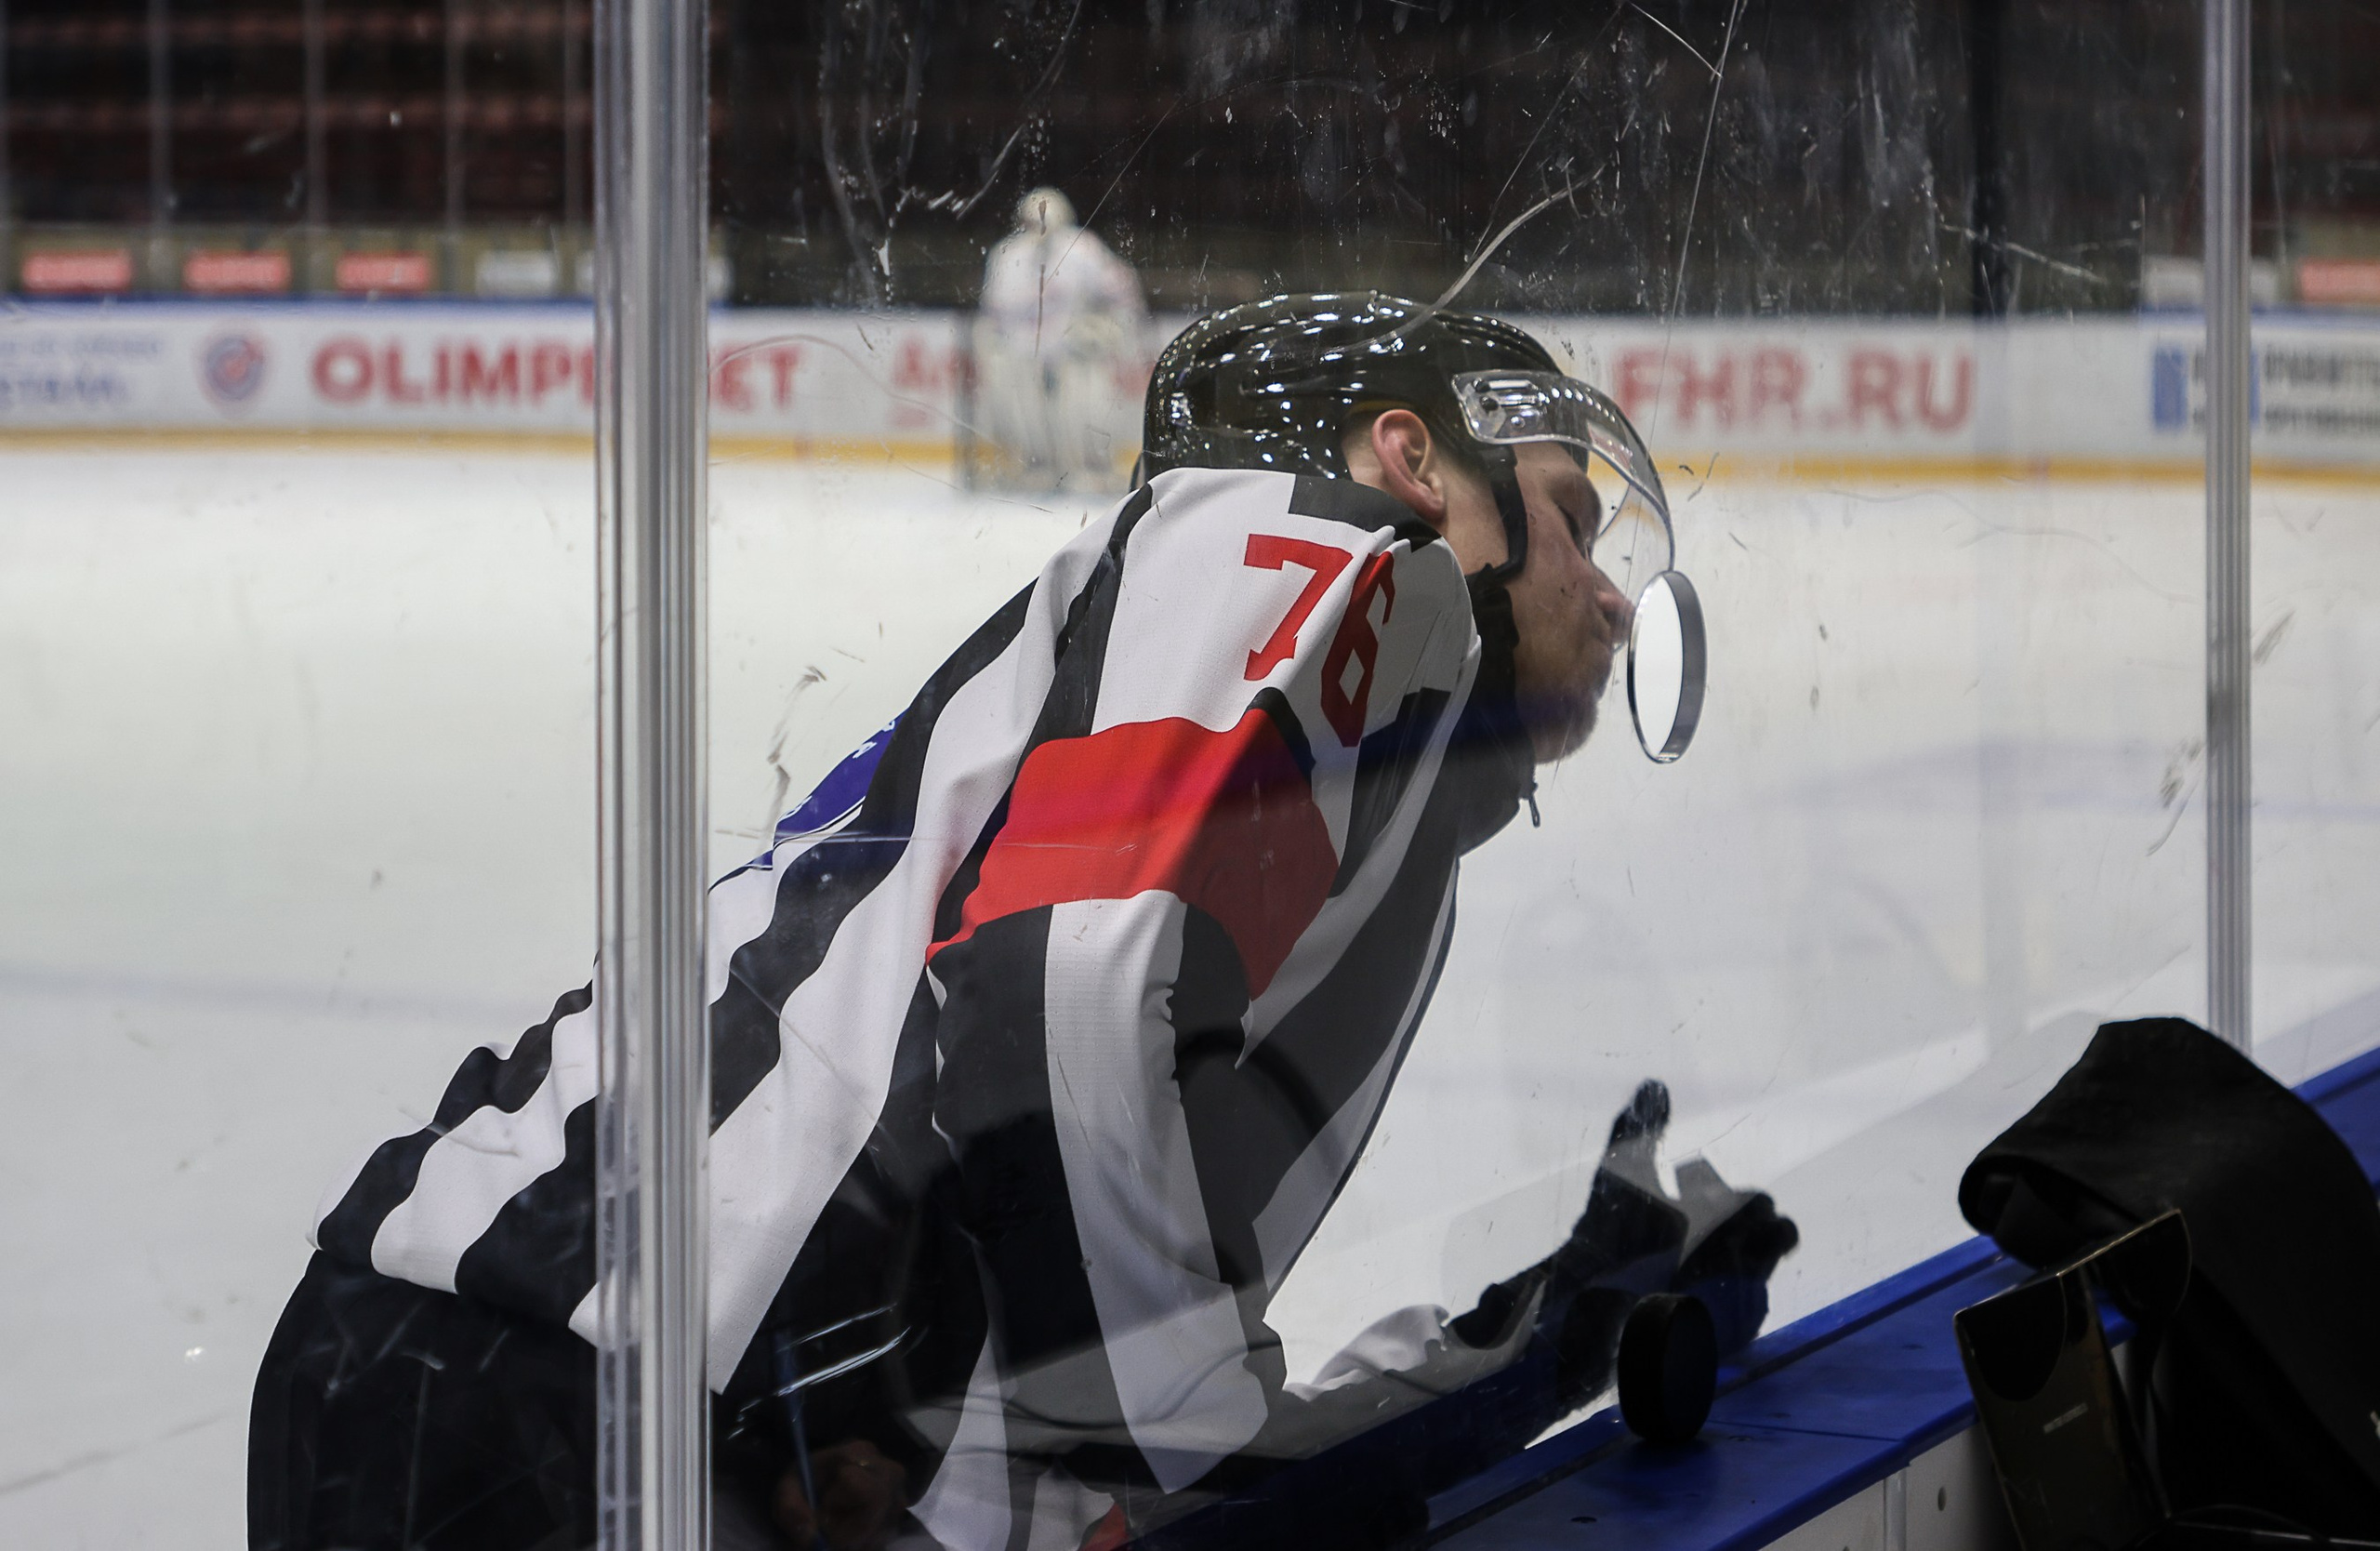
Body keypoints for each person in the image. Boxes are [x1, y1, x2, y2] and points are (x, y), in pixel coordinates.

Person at [248, 293, 1793, 1551]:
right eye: (1571, 519)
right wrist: (1187, 1438)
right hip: (571, 1387)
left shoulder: (1342, 777)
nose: (1609, 593)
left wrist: (1541, 1335)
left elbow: (1098, 1313)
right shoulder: (1335, 555)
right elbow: (1064, 982)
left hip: (557, 1382)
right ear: (1411, 461)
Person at [968, 187, 1147, 491]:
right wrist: (992, 343)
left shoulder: (1084, 250)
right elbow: (992, 309)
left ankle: (1091, 466)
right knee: (1026, 416)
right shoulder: (1007, 255)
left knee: (1085, 410)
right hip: (1022, 352)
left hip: (1074, 351)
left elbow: (1122, 292)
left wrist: (1110, 329)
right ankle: (1036, 467)